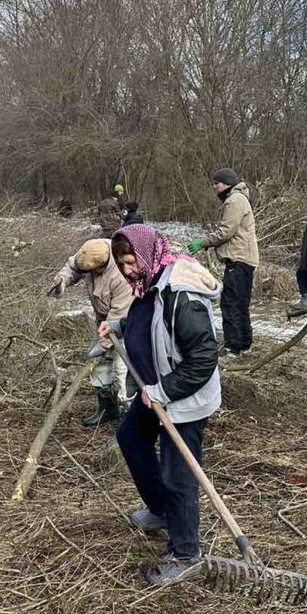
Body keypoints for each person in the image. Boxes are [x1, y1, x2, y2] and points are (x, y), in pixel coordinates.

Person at [99, 224, 222, 587]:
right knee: (131, 438)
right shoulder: (151, 282)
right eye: (120, 264)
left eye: (129, 261)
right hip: (152, 390)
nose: (126, 270)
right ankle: (162, 510)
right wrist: (118, 327)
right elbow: (146, 323)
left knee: (178, 473)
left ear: (146, 252)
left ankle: (186, 553)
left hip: (182, 398)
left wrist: (164, 391)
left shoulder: (182, 294)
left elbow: (203, 358)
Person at [49, 238, 133, 425]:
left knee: (123, 368)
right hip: (102, 318)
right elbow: (73, 266)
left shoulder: (122, 275)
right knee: (101, 365)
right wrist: (62, 280)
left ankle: (127, 418)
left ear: (101, 266)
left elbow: (118, 317)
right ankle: (107, 408)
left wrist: (102, 345)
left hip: (125, 322)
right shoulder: (90, 250)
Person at [187, 168, 258, 357]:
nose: (215, 187)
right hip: (244, 259)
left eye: (216, 183)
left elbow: (226, 231)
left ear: (226, 183)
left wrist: (202, 243)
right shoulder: (239, 199)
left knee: (231, 304)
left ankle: (233, 348)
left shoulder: (234, 200)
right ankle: (244, 344)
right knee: (240, 303)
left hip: (239, 259)